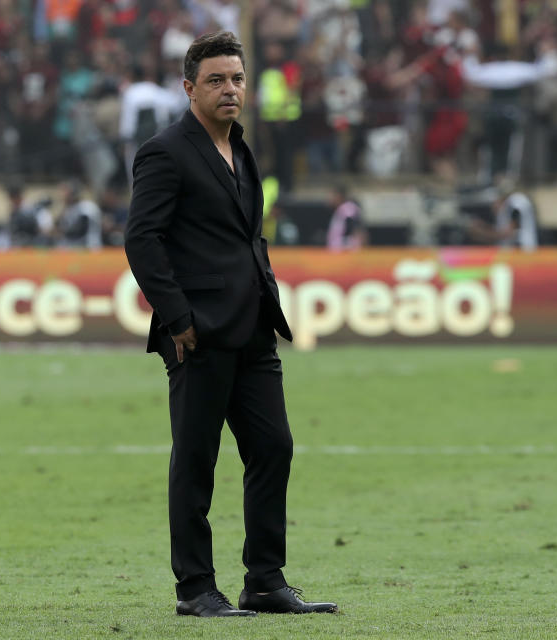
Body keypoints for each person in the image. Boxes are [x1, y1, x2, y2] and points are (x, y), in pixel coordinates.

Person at [124, 31, 337, 618]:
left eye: (237, 79)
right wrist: (177, 320)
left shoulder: (241, 149)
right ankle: (195, 589)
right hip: (198, 333)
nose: (230, 89)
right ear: (189, 88)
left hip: (253, 327)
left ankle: (265, 581)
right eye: (216, 80)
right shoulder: (165, 151)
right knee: (196, 460)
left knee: (274, 447)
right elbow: (141, 239)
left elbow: (246, 235)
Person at [467, 186, 538, 251]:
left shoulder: (515, 202)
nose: (492, 209)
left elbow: (507, 233)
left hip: (522, 249)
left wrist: (482, 233)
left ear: (499, 200)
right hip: (516, 250)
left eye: (493, 204)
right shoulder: (508, 207)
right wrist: (483, 225)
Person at [325, 185, 366, 251]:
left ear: (339, 196)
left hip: (346, 251)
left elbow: (357, 227)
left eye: (332, 195)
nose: (329, 198)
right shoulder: (340, 209)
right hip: (338, 252)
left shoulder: (348, 207)